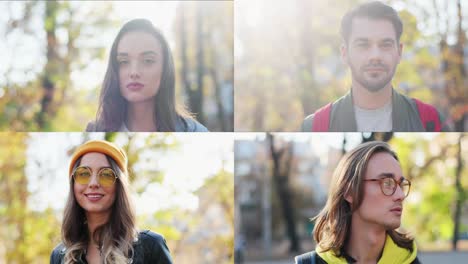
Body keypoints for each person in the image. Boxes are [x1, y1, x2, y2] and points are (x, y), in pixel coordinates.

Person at [302, 1, 449, 132]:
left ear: (399, 52)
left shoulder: (431, 121)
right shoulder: (315, 126)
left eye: (385, 45)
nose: (375, 56)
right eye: (363, 45)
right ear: (345, 54)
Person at [295, 141, 420, 264]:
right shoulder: (309, 263)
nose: (401, 195)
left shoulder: (409, 261)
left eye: (401, 184)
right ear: (350, 192)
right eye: (387, 183)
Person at [50, 140, 173, 264]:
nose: (93, 183)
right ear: (73, 185)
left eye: (106, 175)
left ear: (119, 185)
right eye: (84, 174)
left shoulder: (150, 246)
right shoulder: (59, 256)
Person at [86, 19, 208, 132]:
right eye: (124, 62)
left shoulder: (195, 132)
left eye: (148, 61)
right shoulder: (96, 131)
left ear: (165, 69)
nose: (134, 72)